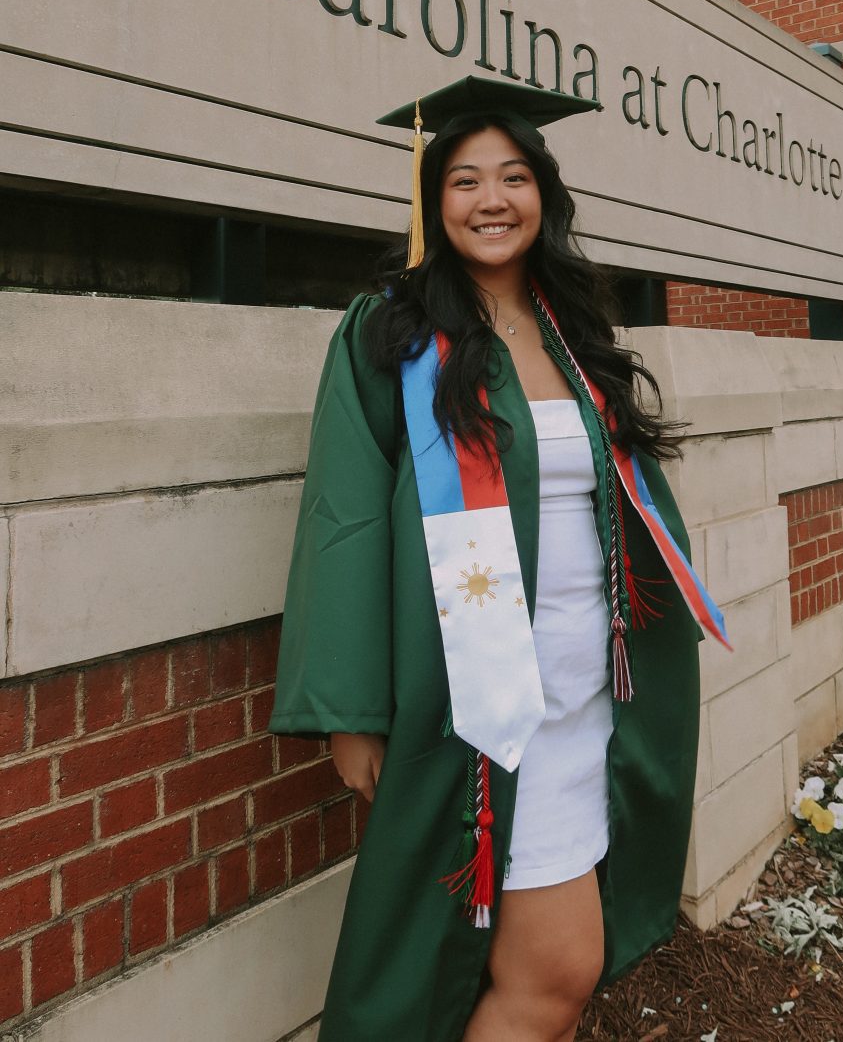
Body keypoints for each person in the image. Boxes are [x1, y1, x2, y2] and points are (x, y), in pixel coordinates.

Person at [269, 75, 728, 1042]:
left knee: (549, 979)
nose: (491, 200)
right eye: (465, 180)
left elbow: (626, 506)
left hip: (587, 698)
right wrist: (352, 711)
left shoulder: (575, 333)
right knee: (553, 973)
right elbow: (341, 518)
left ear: (544, 198)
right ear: (433, 204)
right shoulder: (393, 334)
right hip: (480, 706)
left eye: (513, 177)